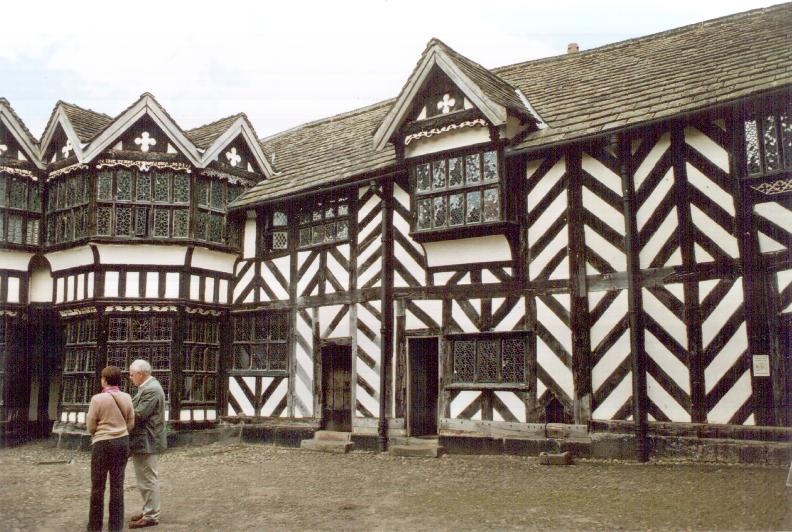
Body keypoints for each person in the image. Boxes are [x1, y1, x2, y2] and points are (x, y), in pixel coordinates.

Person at [86, 365, 135, 532]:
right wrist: (120, 432)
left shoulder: (97, 399)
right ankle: (115, 528)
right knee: (117, 486)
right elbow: (131, 422)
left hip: (101, 444)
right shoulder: (127, 398)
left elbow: (90, 425)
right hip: (121, 443)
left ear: (105, 380)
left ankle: (95, 527)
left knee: (97, 487)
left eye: (102, 377)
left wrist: (99, 433)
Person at [128, 359, 167, 529]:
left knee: (147, 478)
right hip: (144, 439)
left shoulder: (151, 389)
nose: (130, 378)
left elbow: (139, 414)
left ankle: (151, 515)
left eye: (132, 374)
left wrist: (118, 407)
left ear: (141, 374)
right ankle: (149, 510)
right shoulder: (148, 387)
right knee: (145, 478)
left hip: (147, 440)